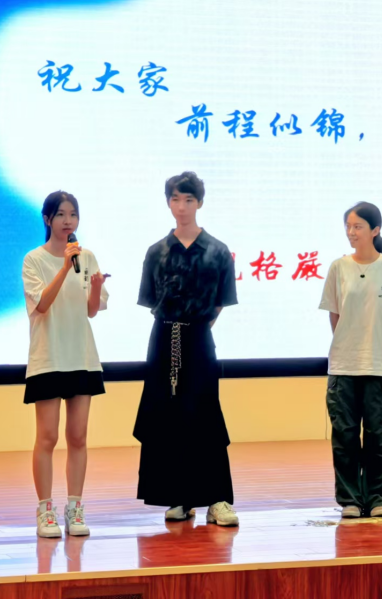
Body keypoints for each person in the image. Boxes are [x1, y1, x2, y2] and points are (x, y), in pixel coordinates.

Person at [134, 171, 240, 526]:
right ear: (168, 202)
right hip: (164, 339)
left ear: (200, 203)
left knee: (206, 415)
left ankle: (217, 499)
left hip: (198, 339)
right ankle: (177, 496)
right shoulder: (156, 251)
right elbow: (151, 299)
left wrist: (195, 328)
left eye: (189, 200)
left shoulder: (218, 250)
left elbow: (220, 302)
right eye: (176, 199)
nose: (181, 206)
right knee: (167, 416)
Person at [22, 190, 108, 538]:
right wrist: (63, 268)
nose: (68, 221)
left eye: (73, 214)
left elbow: (91, 310)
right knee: (47, 436)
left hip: (81, 357)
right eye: (60, 214)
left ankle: (75, 508)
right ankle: (45, 510)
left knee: (78, 436)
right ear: (47, 219)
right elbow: (42, 304)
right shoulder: (34, 260)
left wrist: (96, 286)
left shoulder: (87, 258)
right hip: (48, 357)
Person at [319, 201, 382, 519]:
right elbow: (335, 314)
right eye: (348, 226)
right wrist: (352, 342)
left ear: (375, 230)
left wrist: (376, 342)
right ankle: (350, 500)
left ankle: (379, 498)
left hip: (379, 365)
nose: (351, 232)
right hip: (343, 365)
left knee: (378, 437)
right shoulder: (338, 267)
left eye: (358, 226)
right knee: (344, 436)